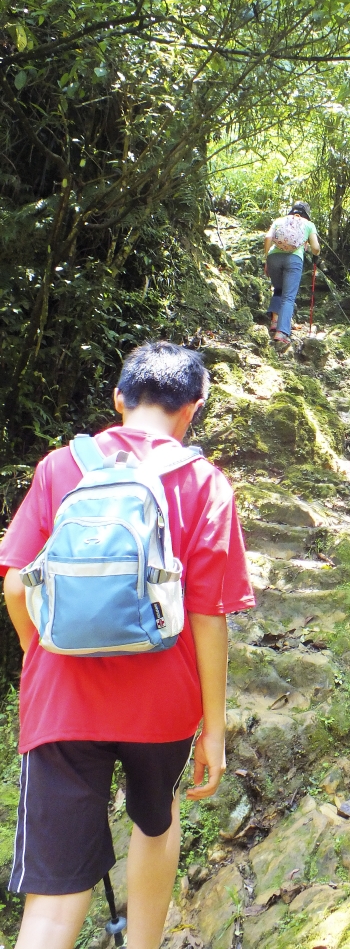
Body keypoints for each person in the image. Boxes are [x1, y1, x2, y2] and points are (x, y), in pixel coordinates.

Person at [0, 341, 255, 949]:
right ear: (192, 409)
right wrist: (213, 729)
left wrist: (39, 653)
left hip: (62, 701)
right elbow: (208, 616)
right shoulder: (206, 484)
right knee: (154, 823)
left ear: (119, 398)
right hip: (162, 707)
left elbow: (14, 581)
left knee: (55, 899)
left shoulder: (61, 467)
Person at [264, 201, 321, 351]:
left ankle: (275, 321)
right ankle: (282, 332)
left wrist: (266, 258)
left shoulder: (280, 220)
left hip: (273, 257)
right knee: (288, 297)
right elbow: (315, 248)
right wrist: (315, 254)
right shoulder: (308, 224)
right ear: (306, 214)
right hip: (293, 260)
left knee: (278, 289)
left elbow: (267, 237)